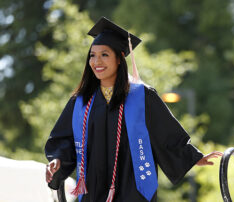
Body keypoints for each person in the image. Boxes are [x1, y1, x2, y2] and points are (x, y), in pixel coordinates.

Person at [45, 17, 223, 202]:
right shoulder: (81, 102)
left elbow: (164, 134)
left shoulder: (141, 96)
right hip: (93, 192)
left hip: (132, 190)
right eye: (92, 55)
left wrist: (192, 157)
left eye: (104, 54)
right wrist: (57, 160)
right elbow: (63, 139)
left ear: (120, 58)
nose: (96, 61)